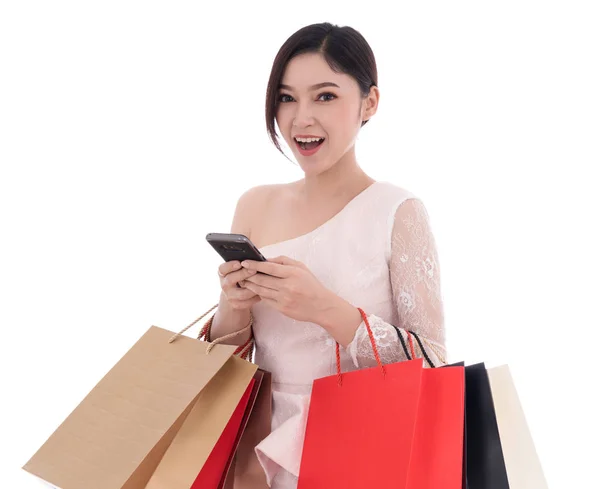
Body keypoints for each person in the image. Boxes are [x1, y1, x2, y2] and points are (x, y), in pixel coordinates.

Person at [207, 22, 447, 489]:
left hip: (362, 448)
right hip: (261, 453)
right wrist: (233, 305)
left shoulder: (398, 211)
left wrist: (327, 311)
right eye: (286, 97)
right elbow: (227, 366)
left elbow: (435, 364)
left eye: (325, 96)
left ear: (369, 103)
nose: (300, 119)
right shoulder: (254, 204)